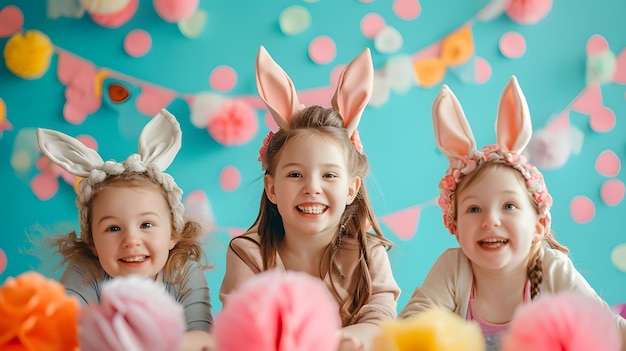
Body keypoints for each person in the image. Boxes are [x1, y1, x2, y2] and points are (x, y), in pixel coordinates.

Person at [399, 76, 626, 349]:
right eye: (474, 209)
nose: (490, 220)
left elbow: (608, 330)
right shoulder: (453, 269)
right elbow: (412, 326)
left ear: (539, 224)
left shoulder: (551, 269)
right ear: (454, 226)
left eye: (509, 206)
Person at [219, 46, 400, 351]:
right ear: (272, 188)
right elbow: (244, 325)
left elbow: (380, 318)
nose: (312, 188)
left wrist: (344, 340)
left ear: (350, 189)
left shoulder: (368, 254)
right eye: (295, 175)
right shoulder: (248, 253)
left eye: (329, 175)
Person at [36, 109, 215, 351]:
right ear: (93, 243)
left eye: (147, 225)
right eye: (113, 228)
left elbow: (204, 339)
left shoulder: (182, 273)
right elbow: (68, 333)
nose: (131, 239)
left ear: (173, 233)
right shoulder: (87, 272)